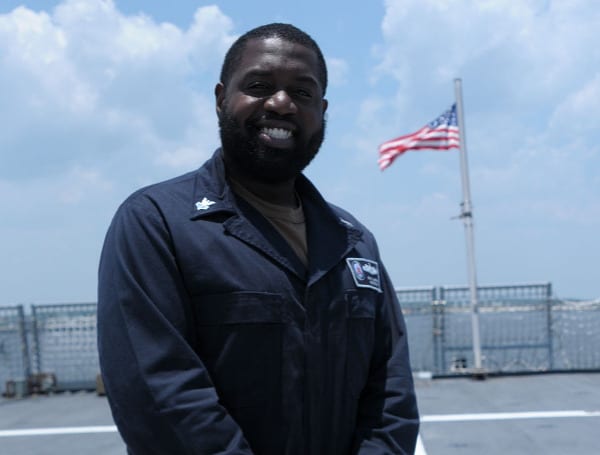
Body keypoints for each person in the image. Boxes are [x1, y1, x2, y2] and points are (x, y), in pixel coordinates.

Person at [97, 23, 419, 455]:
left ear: (322, 110)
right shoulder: (156, 224)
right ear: (220, 99)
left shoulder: (354, 242)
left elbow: (391, 395)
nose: (282, 103)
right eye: (259, 85)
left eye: (302, 93)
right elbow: (160, 395)